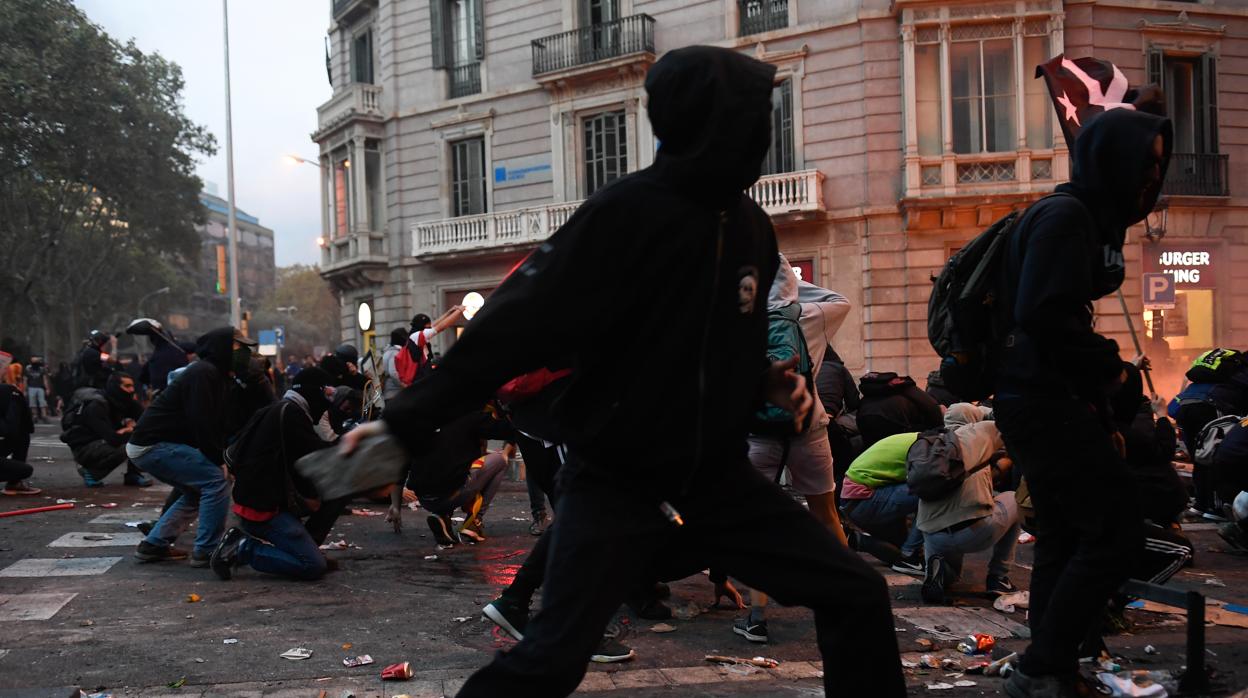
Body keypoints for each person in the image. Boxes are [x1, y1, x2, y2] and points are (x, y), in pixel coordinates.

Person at [349, 46, 905, 698]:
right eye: (756, 115)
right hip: (616, 473)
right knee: (553, 658)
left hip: (717, 479)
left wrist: (768, 383)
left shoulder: (753, 228)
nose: (766, 132)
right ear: (714, 123)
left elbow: (722, 343)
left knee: (856, 592)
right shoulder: (623, 215)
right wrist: (402, 423)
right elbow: (509, 327)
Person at [992, 107, 1171, 698]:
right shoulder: (1065, 219)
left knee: (1066, 536)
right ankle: (1043, 666)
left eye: (1159, 166)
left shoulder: (1079, 220)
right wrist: (1113, 370)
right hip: (1044, 401)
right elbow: (1044, 315)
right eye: (1144, 163)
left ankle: (1052, 667)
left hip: (1045, 397)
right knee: (1118, 533)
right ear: (1111, 161)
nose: (1151, 178)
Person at [733, 254, 851, 644]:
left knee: (756, 523)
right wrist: (792, 295)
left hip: (759, 434)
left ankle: (756, 616)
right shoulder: (811, 315)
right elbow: (840, 300)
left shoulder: (738, 323)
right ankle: (845, 597)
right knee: (827, 513)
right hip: (809, 426)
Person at [128, 327, 256, 566]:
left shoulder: (217, 375)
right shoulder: (203, 373)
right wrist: (218, 459)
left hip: (154, 445)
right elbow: (203, 421)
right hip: (153, 445)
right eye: (240, 348)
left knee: (197, 491)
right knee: (215, 482)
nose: (246, 354)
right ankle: (207, 550)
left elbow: (218, 423)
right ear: (222, 348)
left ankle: (153, 545)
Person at [209, 367, 339, 581]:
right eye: (326, 394)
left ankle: (304, 547)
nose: (327, 404)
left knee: (336, 494)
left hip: (254, 501)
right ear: (315, 393)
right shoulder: (292, 416)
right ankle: (242, 547)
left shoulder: (277, 409)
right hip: (262, 510)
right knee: (312, 566)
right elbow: (312, 459)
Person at [917, 404, 1018, 604]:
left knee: (952, 578)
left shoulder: (932, 445)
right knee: (1015, 498)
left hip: (932, 535)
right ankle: (998, 578)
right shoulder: (979, 433)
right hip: (973, 531)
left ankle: (936, 572)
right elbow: (1008, 427)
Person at [840, 431, 926, 573]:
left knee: (896, 553)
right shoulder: (929, 448)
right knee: (932, 491)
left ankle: (856, 540)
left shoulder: (920, 439)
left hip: (853, 500)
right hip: (862, 499)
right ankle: (910, 556)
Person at [60, 373, 151, 487]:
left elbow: (147, 421)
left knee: (143, 438)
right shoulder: (97, 405)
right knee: (131, 445)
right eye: (127, 386)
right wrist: (130, 430)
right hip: (85, 447)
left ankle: (133, 475)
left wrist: (131, 429)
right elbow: (113, 439)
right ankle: (91, 472)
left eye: (132, 386)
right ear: (116, 386)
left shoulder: (124, 402)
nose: (132, 390)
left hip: (103, 442)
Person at [856, 371, 943, 447]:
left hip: (866, 422)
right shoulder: (907, 388)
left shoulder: (869, 394)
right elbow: (933, 410)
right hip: (897, 429)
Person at [0, 384, 40, 495]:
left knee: (22, 436)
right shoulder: (12, 394)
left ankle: (14, 483)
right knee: (23, 470)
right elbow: (9, 428)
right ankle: (14, 482)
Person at [380, 327, 408, 403]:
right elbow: (393, 372)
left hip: (388, 393)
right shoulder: (395, 353)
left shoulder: (387, 352)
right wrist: (403, 385)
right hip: (395, 393)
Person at [24, 357, 50, 423]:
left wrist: (47, 388)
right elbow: (25, 380)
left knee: (42, 402)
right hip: (31, 387)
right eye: (34, 361)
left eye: (36, 361)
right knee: (32, 403)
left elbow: (45, 379)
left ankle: (44, 416)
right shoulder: (28, 369)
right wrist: (25, 389)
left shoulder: (42, 369)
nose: (35, 363)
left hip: (40, 387)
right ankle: (35, 416)